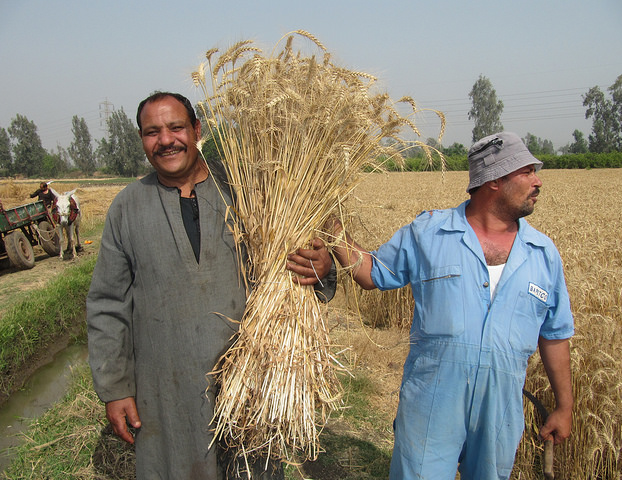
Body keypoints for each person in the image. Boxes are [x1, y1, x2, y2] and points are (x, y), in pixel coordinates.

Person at [86, 91, 335, 480]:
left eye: (175, 127)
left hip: (252, 383)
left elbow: (294, 270)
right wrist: (115, 388)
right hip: (167, 392)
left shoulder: (249, 191)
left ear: (197, 130)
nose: (165, 140)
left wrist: (320, 267)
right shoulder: (127, 208)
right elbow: (107, 305)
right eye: (152, 132)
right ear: (141, 140)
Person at [329, 131, 574, 480]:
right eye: (528, 172)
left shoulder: (544, 254)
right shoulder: (429, 232)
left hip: (499, 412)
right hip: (431, 404)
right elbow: (370, 272)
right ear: (495, 180)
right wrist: (330, 223)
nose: (538, 182)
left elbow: (555, 335)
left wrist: (564, 407)